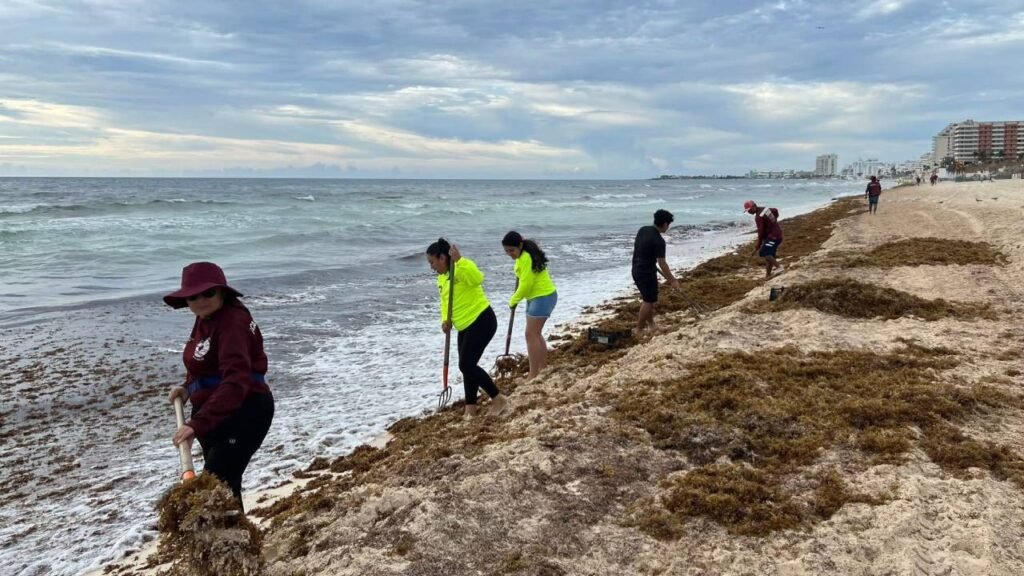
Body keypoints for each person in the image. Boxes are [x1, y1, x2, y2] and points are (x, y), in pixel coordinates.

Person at [164, 262, 274, 510]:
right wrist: (188, 387)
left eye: (208, 293)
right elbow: (204, 363)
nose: (201, 300)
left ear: (222, 291)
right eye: (193, 296)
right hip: (214, 414)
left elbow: (237, 381)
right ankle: (240, 542)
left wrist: (195, 425)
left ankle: (233, 542)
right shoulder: (206, 317)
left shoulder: (233, 322)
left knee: (215, 485)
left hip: (245, 411)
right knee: (226, 485)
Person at [426, 239, 509, 417]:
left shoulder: (461, 267)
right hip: (463, 326)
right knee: (467, 366)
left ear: (442, 258)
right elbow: (444, 302)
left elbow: (477, 278)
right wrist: (445, 320)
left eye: (432, 262)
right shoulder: (442, 278)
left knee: (467, 365)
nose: (431, 267)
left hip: (481, 320)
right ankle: (470, 408)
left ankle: (498, 399)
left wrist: (460, 260)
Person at [501, 231, 557, 380]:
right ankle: (543, 368)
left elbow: (526, 284)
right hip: (537, 297)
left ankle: (533, 374)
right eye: (506, 251)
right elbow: (524, 280)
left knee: (530, 334)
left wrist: (513, 300)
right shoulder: (523, 256)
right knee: (535, 334)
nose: (509, 254)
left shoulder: (525, 258)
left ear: (520, 245)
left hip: (542, 297)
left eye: (511, 250)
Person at [631, 209, 681, 333]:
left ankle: (652, 325)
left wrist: (649, 260)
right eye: (668, 224)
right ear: (664, 224)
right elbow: (662, 263)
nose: (668, 227)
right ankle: (639, 329)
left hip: (636, 269)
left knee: (648, 298)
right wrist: (673, 281)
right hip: (646, 273)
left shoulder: (643, 230)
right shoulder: (659, 241)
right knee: (648, 301)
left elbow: (641, 247)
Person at [744, 200, 784, 279]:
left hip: (773, 237)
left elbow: (761, 232)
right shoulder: (765, 209)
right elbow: (775, 210)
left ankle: (779, 267)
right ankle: (767, 276)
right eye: (747, 211)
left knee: (763, 252)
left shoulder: (759, 217)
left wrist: (758, 245)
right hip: (778, 235)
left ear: (754, 206)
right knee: (770, 255)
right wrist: (773, 221)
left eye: (749, 210)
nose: (749, 212)